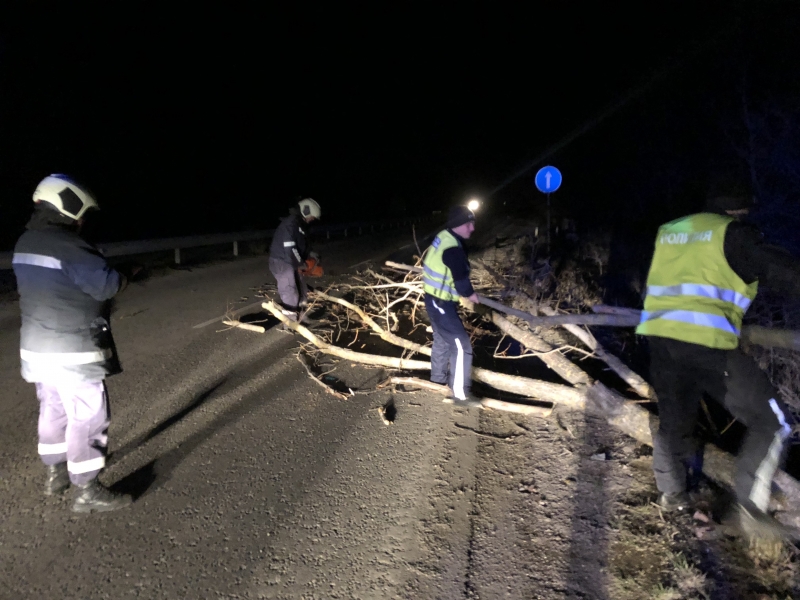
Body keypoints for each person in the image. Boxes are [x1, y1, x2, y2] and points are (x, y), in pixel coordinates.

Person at [636, 172, 800, 535]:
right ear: (740, 209)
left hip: (661, 339)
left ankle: (672, 495)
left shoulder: (672, 230)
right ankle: (749, 510)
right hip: (706, 345)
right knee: (774, 421)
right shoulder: (734, 234)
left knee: (675, 420)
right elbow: (784, 272)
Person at [12, 174, 133, 513]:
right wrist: (122, 275)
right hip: (73, 349)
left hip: (37, 349)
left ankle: (55, 473)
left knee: (53, 408)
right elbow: (105, 286)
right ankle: (87, 490)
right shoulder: (70, 246)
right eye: (82, 213)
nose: (83, 221)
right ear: (69, 207)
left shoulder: (25, 242)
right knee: (88, 416)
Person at [422, 205, 486, 408]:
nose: (473, 229)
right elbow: (462, 281)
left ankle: (437, 380)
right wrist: (471, 295)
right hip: (441, 303)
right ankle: (460, 395)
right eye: (469, 224)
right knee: (462, 346)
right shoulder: (453, 249)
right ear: (459, 225)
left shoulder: (444, 236)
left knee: (441, 339)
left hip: (433, 299)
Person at [269, 198, 321, 323]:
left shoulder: (300, 225)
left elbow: (300, 245)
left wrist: (309, 254)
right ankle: (290, 323)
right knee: (290, 291)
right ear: (306, 210)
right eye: (312, 216)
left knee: (302, 289)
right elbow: (290, 248)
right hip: (282, 262)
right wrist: (301, 263)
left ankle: (302, 316)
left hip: (293, 261)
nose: (312, 219)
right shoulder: (290, 224)